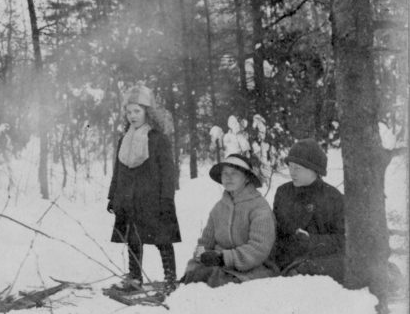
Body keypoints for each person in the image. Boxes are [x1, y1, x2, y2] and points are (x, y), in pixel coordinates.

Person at [107, 84, 181, 291]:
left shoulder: (158, 139)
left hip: (154, 200)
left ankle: (170, 279)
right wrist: (113, 197)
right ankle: (135, 277)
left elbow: (168, 173)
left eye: (137, 111)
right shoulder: (124, 139)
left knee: (162, 239)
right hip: (129, 199)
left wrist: (167, 199)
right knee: (133, 240)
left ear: (147, 112)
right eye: (129, 111)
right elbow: (118, 171)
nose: (132, 116)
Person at [182, 153, 276, 287]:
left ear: (247, 178)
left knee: (215, 280)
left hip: (255, 270)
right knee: (195, 279)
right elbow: (204, 244)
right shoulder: (218, 208)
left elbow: (258, 249)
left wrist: (222, 258)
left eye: (234, 173)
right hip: (221, 268)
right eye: (225, 173)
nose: (228, 177)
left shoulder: (259, 208)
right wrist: (197, 263)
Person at [272, 139, 345, 283]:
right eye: (290, 167)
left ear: (314, 169)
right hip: (288, 262)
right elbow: (276, 233)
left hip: (323, 262)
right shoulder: (283, 193)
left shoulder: (333, 197)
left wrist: (311, 241)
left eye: (297, 168)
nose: (292, 172)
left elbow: (343, 240)